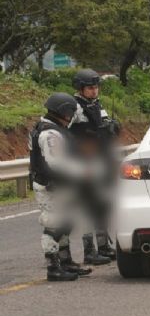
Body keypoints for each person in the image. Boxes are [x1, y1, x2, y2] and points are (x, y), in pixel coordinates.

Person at [30, 93, 92, 281]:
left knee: (67, 222)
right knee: (54, 225)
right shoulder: (50, 134)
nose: (73, 115)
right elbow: (57, 163)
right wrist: (83, 171)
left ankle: (66, 262)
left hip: (60, 185)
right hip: (51, 187)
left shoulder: (53, 128)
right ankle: (53, 267)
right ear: (64, 111)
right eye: (71, 111)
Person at [69, 69, 117, 265]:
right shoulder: (74, 107)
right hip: (84, 162)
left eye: (96, 87)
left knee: (102, 205)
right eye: (90, 88)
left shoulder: (97, 105)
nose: (94, 91)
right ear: (81, 89)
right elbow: (66, 133)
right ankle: (89, 251)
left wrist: (113, 128)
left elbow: (104, 126)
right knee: (87, 208)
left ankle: (104, 245)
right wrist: (88, 135)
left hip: (101, 160)